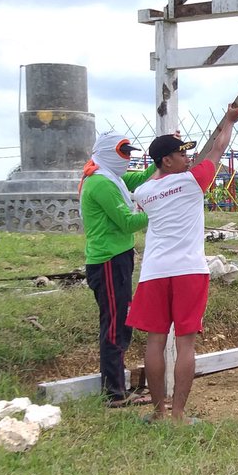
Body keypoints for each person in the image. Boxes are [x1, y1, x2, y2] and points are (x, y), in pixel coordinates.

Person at [126, 104, 238, 423]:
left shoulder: (144, 191)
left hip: (154, 273)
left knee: (155, 341)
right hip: (189, 271)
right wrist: (229, 121)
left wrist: (164, 152)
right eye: (181, 153)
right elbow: (219, 147)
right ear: (168, 160)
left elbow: (154, 175)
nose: (188, 157)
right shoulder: (194, 182)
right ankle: (178, 414)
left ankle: (158, 412)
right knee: (185, 343)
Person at [79, 132, 156, 407]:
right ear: (109, 152)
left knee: (120, 322)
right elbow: (126, 222)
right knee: (114, 326)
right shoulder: (101, 183)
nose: (128, 158)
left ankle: (116, 388)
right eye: (124, 153)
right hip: (108, 262)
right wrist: (163, 209)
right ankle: (113, 392)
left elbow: (137, 180)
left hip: (116, 259)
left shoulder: (110, 176)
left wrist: (158, 161)